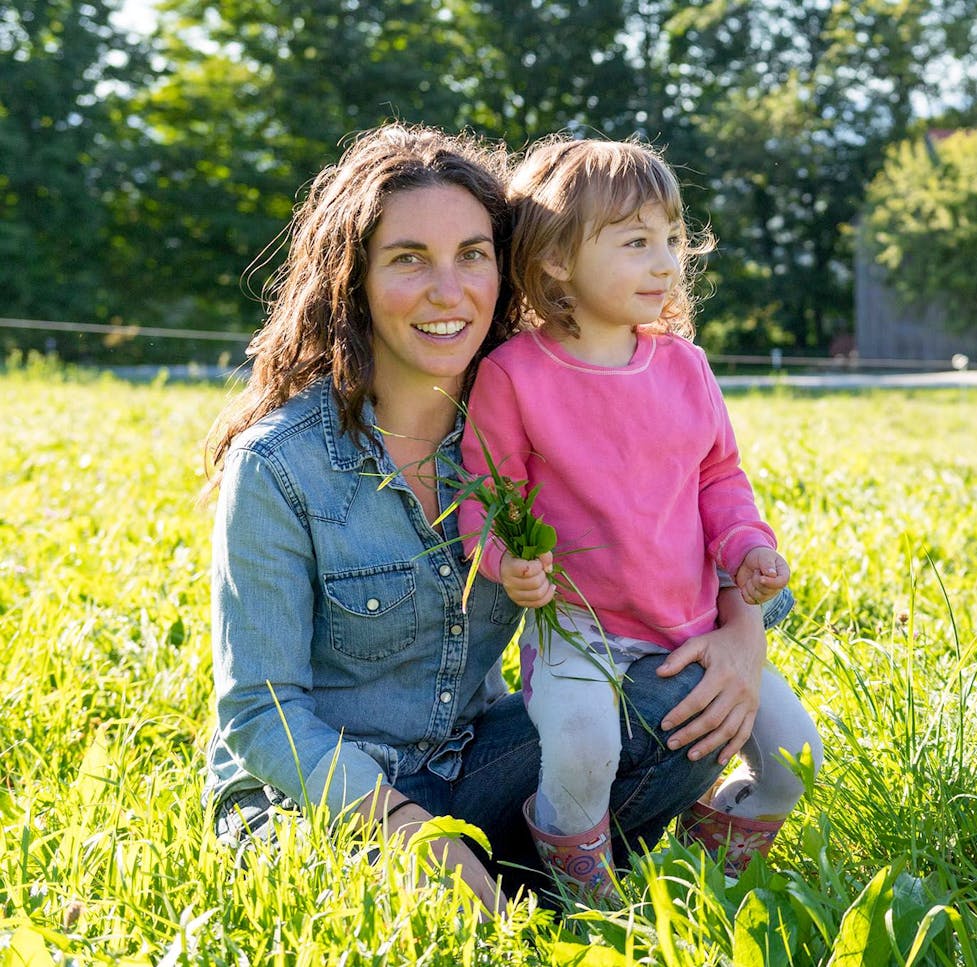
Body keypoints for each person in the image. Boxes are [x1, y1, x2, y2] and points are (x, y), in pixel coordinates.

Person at [202, 123, 791, 915]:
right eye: (410, 258)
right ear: (354, 280)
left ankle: (534, 873)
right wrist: (406, 829)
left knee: (669, 699)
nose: (450, 290)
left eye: (472, 254)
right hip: (313, 804)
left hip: (467, 763)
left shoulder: (525, 415)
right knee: (374, 915)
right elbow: (259, 714)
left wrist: (739, 637)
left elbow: (690, 514)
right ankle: (497, 878)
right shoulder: (279, 467)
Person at [460, 136, 821, 896]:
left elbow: (718, 475)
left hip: (687, 618)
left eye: (670, 240)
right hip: (578, 622)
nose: (666, 263)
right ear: (557, 258)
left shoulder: (683, 366)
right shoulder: (515, 375)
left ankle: (697, 864)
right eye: (636, 244)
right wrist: (506, 563)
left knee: (794, 757)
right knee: (583, 746)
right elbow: (486, 495)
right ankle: (583, 889)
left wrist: (747, 546)